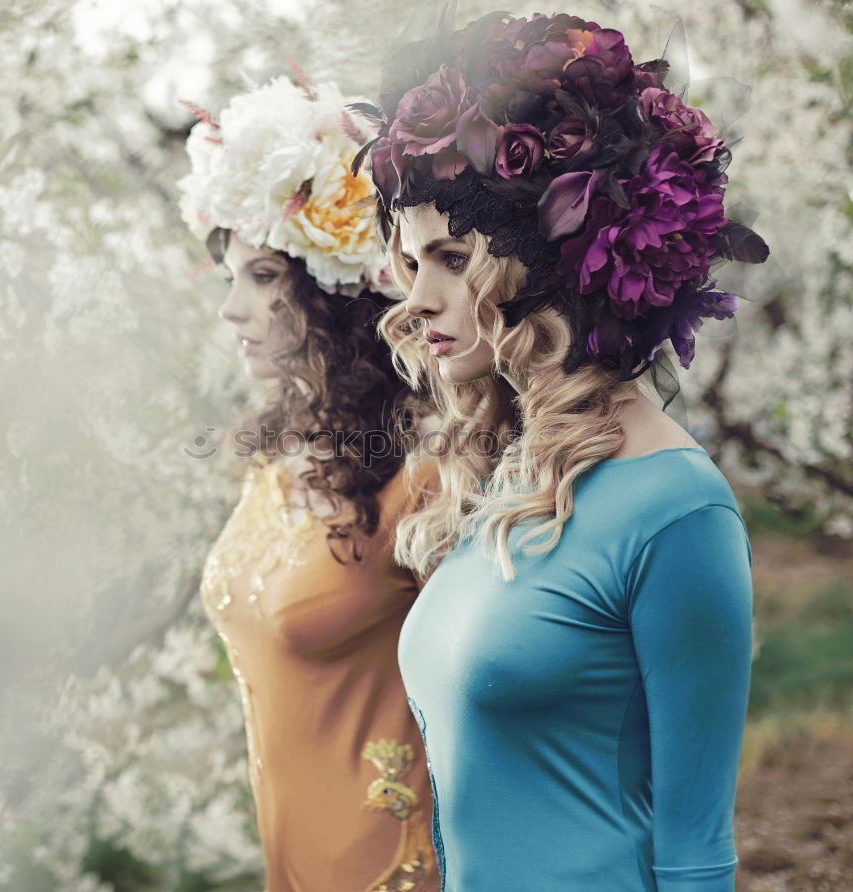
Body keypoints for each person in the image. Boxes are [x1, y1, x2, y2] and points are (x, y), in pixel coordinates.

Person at [354, 11, 769, 891]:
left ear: (546, 259)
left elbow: (698, 854)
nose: (416, 297)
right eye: (408, 259)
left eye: (451, 256)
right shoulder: (507, 472)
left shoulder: (676, 511)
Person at [179, 76, 439, 891]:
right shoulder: (278, 449)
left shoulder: (426, 466)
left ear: (337, 288)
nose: (232, 310)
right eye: (228, 276)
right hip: (292, 862)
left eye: (261, 276)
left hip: (401, 869)